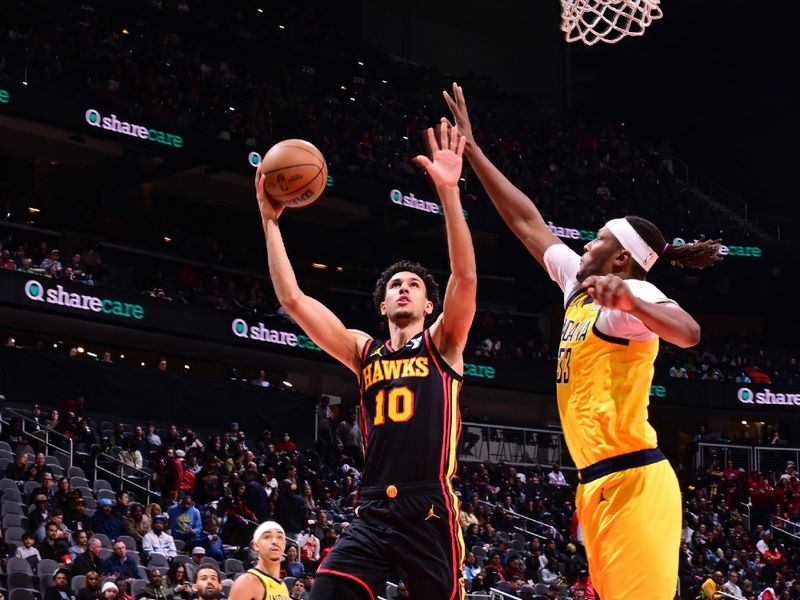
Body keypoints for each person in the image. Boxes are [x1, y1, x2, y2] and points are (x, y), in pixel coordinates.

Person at [444, 82, 721, 600]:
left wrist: (634, 303)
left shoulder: (630, 294)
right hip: (595, 483)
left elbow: (689, 332)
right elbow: (527, 222)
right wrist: (474, 151)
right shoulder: (580, 283)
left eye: (597, 238)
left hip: (634, 482)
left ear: (620, 259)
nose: (585, 243)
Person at [259, 125, 475, 599]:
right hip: (374, 508)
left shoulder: (445, 343)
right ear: (382, 307)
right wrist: (271, 223)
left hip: (429, 507)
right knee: (326, 592)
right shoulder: (363, 351)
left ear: (429, 307)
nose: (403, 287)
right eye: (395, 285)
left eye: (414, 285)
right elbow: (293, 300)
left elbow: (465, 275)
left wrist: (449, 192)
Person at [228, 521, 290, 600]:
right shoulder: (247, 582)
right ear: (256, 545)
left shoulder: (283, 587)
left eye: (279, 537)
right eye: (267, 536)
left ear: (284, 545)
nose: (275, 541)